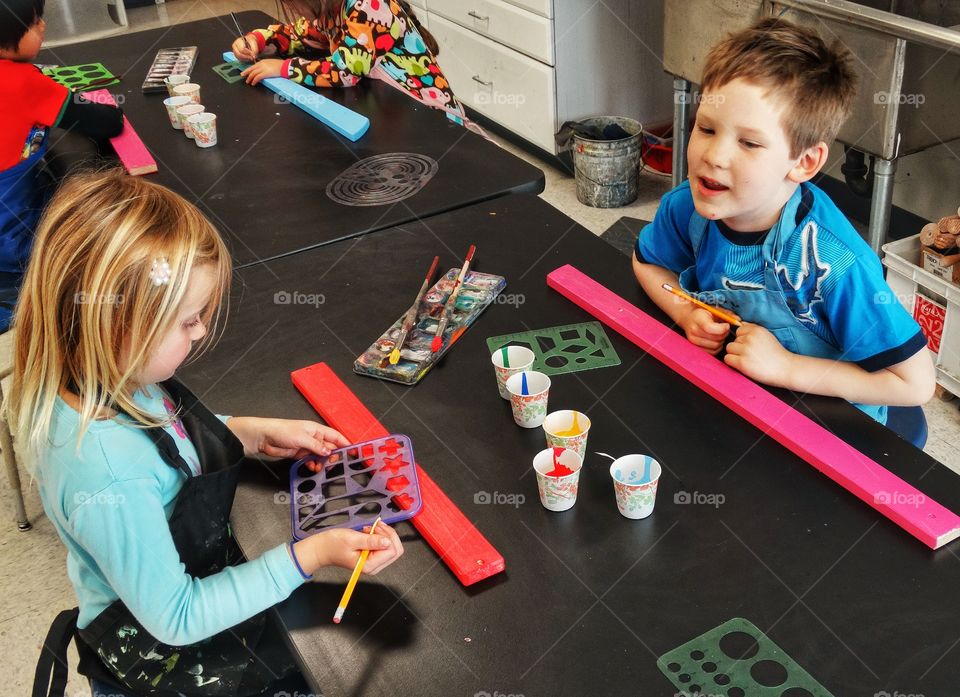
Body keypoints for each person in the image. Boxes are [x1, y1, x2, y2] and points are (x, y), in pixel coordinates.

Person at [14, 170, 404, 696]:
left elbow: (165, 438)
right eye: (188, 320)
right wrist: (309, 555)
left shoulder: (102, 371)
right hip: (162, 651)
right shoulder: (108, 474)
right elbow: (178, 616)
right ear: (114, 327)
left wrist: (247, 433)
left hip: (172, 589)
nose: (200, 331)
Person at [632, 17, 935, 446]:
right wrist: (685, 314)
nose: (713, 156)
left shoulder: (833, 263)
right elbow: (648, 264)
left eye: (749, 143)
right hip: (743, 398)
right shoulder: (686, 205)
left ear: (804, 163)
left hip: (831, 426)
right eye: (707, 128)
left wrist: (786, 368)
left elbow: (914, 383)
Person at [0, 0, 123, 331]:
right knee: (81, 246)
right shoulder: (23, 81)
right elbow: (107, 121)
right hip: (10, 236)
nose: (43, 26)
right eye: (33, 22)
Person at [231, 0, 469, 124]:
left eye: (293, 3)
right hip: (396, 110)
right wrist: (259, 39)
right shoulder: (332, 9)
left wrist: (283, 68)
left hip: (431, 118)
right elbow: (300, 34)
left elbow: (345, 71)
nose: (291, 8)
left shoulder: (368, 6)